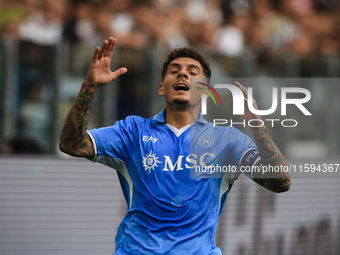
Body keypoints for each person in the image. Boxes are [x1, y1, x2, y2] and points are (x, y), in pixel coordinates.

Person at [59, 37, 291, 255]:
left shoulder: (228, 140)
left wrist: (258, 127)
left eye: (193, 72)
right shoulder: (132, 132)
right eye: (174, 71)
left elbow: (280, 182)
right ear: (161, 88)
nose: (182, 74)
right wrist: (89, 88)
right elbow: (71, 144)